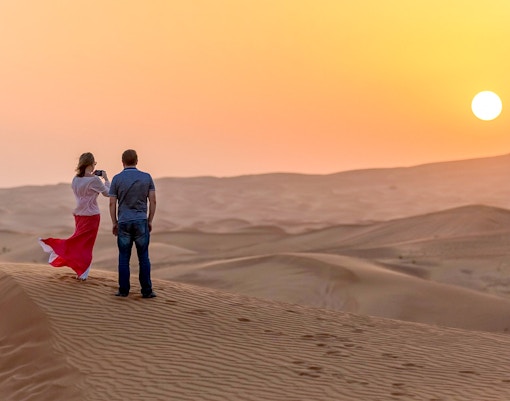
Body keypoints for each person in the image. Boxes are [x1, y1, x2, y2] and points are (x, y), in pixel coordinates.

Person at [39, 152, 110, 280]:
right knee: (86, 245)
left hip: (79, 216)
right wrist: (106, 179)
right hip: (91, 216)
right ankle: (79, 269)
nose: (95, 166)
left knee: (79, 241)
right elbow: (108, 193)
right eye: (94, 163)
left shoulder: (75, 179)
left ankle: (80, 270)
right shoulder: (94, 180)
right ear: (90, 164)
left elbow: (83, 194)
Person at [109, 149, 157, 298]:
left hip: (123, 221)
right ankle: (147, 291)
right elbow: (153, 200)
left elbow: (112, 203)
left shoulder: (117, 179)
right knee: (143, 257)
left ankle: (123, 290)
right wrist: (149, 220)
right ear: (137, 161)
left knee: (124, 257)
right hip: (141, 221)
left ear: (122, 162)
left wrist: (114, 222)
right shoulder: (146, 177)